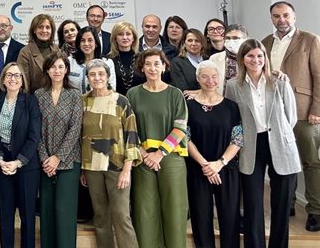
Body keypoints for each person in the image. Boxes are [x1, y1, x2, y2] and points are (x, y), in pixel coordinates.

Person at [225, 39, 301, 247]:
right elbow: (233, 119)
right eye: (250, 56)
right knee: (253, 204)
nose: (255, 60)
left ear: (265, 58)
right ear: (242, 59)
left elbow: (291, 116)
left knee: (281, 204)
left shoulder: (279, 81)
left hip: (280, 143)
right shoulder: (232, 86)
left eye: (260, 56)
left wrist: (280, 133)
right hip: (251, 146)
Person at [262, 1, 320, 231]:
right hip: (274, 113)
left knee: (310, 162)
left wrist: (317, 109)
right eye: (276, 16)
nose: (281, 19)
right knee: (283, 161)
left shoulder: (309, 40)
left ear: (294, 17)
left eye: (286, 15)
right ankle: (288, 204)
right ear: (272, 18)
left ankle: (315, 210)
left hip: (304, 111)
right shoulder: (265, 42)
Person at [127, 49, 189, 248]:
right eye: (148, 64)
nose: (152, 68)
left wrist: (160, 153)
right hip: (142, 158)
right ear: (142, 67)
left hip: (169, 157)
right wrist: (144, 153)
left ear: (164, 66)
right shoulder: (133, 94)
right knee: (144, 210)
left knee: (174, 209)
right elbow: (128, 128)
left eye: (157, 64)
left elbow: (180, 127)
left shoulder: (175, 94)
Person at [80, 59, 140, 248]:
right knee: (100, 216)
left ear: (107, 76)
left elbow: (132, 135)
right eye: (92, 74)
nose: (97, 78)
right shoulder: (83, 101)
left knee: (122, 216)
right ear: (88, 78)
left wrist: (127, 170)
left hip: (117, 167)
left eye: (101, 74)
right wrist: (83, 169)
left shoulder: (121, 101)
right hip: (92, 167)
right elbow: (80, 136)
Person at [186, 60, 242, 248]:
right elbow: (185, 139)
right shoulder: (188, 106)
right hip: (198, 169)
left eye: (214, 76)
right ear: (197, 79)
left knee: (229, 217)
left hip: (226, 169)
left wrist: (219, 163)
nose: (210, 80)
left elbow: (238, 139)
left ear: (219, 78)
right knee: (201, 218)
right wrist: (205, 165)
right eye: (205, 76)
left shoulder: (231, 106)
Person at [0, 62, 41, 248]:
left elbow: (34, 136)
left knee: (27, 216)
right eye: (9, 75)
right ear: (3, 79)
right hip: (2, 165)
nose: (13, 78)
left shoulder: (31, 101)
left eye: (17, 75)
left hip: (26, 166)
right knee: (6, 216)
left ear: (22, 80)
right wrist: (0, 159)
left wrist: (18, 162)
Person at [36, 52, 83, 248]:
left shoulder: (74, 95)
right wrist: (46, 158)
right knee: (46, 212)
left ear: (66, 70)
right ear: (47, 69)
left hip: (69, 161)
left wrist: (58, 158)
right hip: (44, 163)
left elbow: (75, 129)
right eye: (53, 67)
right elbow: (35, 130)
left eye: (61, 67)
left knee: (64, 212)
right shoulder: (38, 95)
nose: (57, 70)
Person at [18, 13, 59, 95]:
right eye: (40, 27)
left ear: (52, 30)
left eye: (47, 27)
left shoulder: (56, 49)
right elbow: (24, 84)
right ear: (34, 30)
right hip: (35, 100)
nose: (44, 30)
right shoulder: (25, 52)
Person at [69, 26, 116, 92]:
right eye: (82, 40)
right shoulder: (70, 62)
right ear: (79, 44)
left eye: (90, 40)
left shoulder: (107, 63)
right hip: (74, 101)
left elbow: (111, 89)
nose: (86, 44)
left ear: (96, 43)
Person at [109, 21, 146, 95]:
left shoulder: (143, 58)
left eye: (128, 34)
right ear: (115, 38)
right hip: (116, 102)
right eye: (120, 34)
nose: (125, 37)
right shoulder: (108, 60)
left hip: (140, 101)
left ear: (133, 38)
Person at [210, 24, 248, 95]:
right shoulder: (214, 58)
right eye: (228, 38)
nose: (231, 41)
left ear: (246, 39)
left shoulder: (252, 58)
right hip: (221, 99)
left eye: (235, 38)